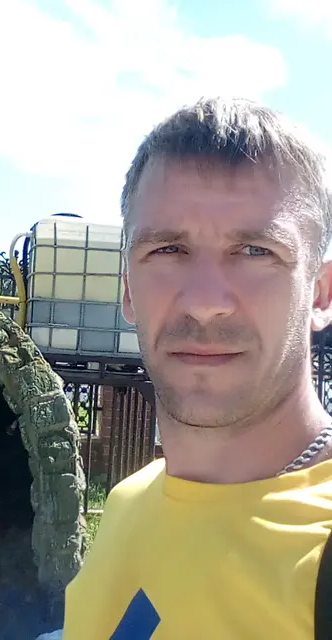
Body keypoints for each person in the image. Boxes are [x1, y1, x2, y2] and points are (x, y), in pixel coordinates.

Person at [62, 97, 332, 639]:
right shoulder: (128, 504)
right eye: (167, 250)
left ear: (321, 294)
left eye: (255, 251)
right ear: (128, 291)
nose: (205, 302)